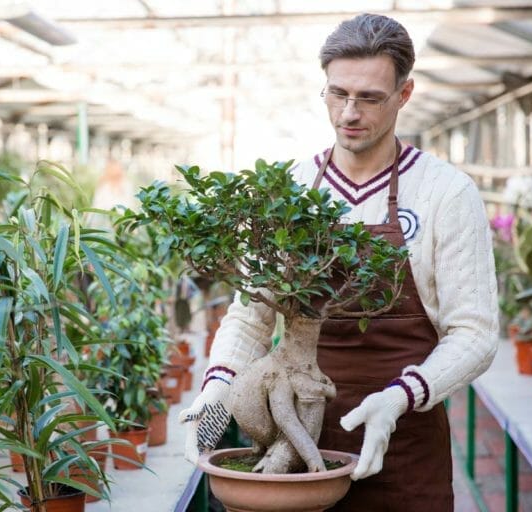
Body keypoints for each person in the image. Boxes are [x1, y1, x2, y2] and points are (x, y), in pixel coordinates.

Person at [180, 13, 499, 511]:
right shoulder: (289, 190)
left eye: (370, 97)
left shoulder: (445, 192)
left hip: (404, 444)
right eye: (337, 93)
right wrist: (219, 387)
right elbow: (251, 316)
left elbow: (475, 331)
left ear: (404, 94)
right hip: (298, 432)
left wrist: (399, 399)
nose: (349, 112)